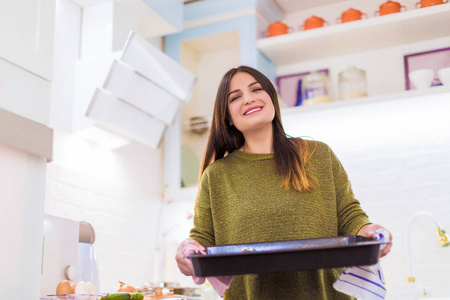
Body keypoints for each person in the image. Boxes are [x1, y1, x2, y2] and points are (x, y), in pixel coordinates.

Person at [175, 65, 392, 299]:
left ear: (271, 98)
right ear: (227, 116)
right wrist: (187, 252)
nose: (248, 99)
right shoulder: (216, 176)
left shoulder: (318, 155)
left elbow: (350, 217)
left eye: (256, 90)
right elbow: (203, 240)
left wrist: (372, 231)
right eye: (235, 97)